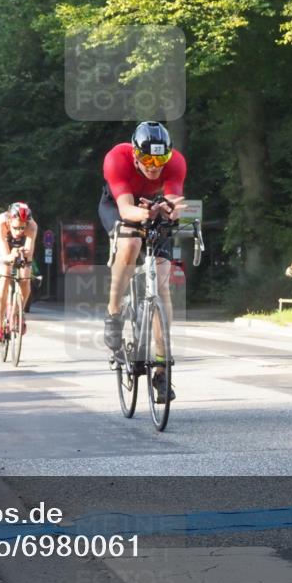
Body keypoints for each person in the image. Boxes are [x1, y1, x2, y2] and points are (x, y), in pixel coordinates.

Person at [100, 121, 186, 401]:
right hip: (119, 205)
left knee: (161, 283)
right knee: (132, 242)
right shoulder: (117, 159)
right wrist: (147, 213)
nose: (154, 166)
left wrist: (168, 210)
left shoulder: (175, 163)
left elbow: (173, 204)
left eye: (160, 160)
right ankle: (114, 312)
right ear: (135, 154)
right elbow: (126, 209)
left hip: (153, 207)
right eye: (147, 159)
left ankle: (162, 370)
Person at [0, 202, 38, 341]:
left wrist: (24, 255)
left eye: (22, 228)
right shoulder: (0, 223)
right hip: (4, 244)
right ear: (9, 220)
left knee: (25, 278)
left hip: (22, 246)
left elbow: (29, 253)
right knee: (5, 276)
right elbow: (5, 255)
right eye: (16, 227)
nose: (18, 232)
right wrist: (11, 256)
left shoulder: (32, 226)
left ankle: (19, 312)